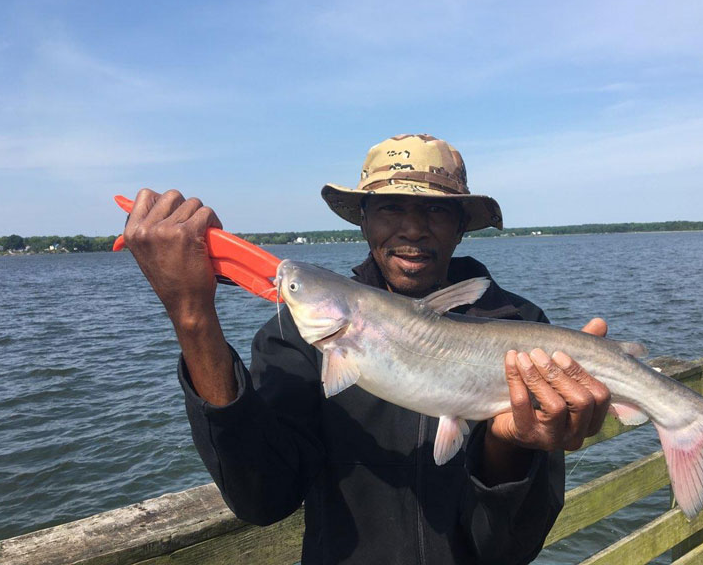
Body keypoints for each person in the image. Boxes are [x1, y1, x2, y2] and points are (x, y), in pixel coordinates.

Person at [122, 134, 611, 564]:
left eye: (436, 209)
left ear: (462, 225)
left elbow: (510, 549)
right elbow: (262, 498)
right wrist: (193, 317)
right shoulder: (298, 337)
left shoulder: (521, 330)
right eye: (391, 207)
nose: (413, 228)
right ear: (364, 220)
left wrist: (508, 445)